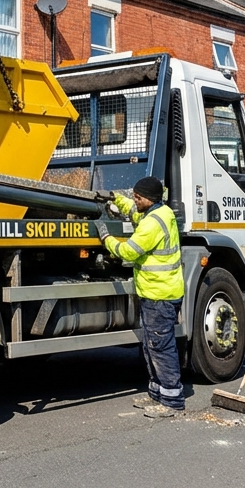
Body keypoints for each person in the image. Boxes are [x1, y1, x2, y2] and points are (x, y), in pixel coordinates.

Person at [99, 176, 186, 418]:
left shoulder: (152, 224)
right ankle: (157, 394)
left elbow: (129, 251)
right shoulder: (158, 213)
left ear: (149, 198)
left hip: (160, 295)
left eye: (138, 197)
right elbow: (135, 212)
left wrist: (107, 239)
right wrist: (118, 200)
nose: (135, 200)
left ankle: (172, 401)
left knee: (161, 346)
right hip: (156, 293)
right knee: (152, 346)